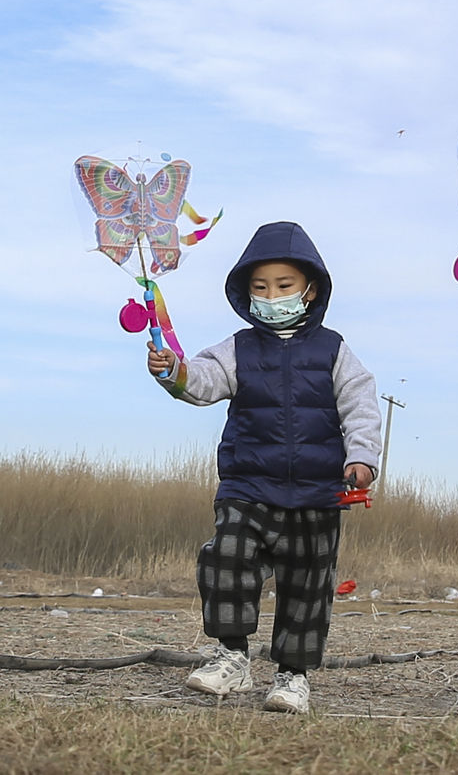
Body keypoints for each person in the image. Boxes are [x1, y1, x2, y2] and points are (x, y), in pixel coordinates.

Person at [148, 220, 382, 715]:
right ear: (246, 293)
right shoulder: (238, 348)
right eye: (260, 287)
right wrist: (175, 371)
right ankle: (232, 656)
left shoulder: (334, 350)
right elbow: (203, 381)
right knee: (225, 559)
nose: (271, 295)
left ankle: (293, 676)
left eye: (283, 286)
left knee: (308, 583)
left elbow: (361, 405)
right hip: (248, 485)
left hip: (319, 492)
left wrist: (362, 458)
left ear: (310, 289)